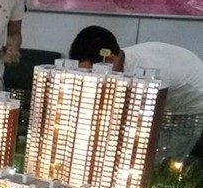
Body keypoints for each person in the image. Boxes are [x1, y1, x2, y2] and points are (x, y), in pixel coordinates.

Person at [69, 26, 203, 159]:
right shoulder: (120, 62)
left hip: (191, 104)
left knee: (163, 159)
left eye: (90, 71)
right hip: (169, 97)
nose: (87, 77)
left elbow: (141, 120)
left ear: (109, 60)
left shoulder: (147, 75)